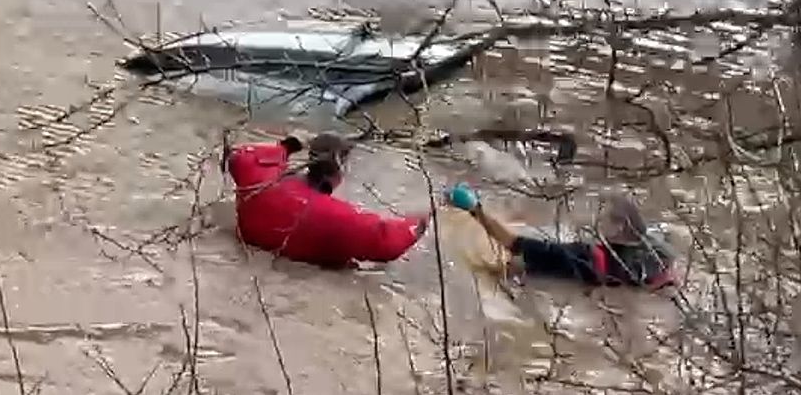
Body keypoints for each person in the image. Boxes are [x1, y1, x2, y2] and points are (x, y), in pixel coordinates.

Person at [224, 131, 429, 268]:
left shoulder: (259, 182)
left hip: (252, 249)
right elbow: (389, 244)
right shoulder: (342, 219)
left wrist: (288, 146)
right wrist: (427, 217)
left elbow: (239, 156)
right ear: (341, 166)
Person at [443, 182, 676, 291]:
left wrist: (475, 209)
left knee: (502, 267)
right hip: (615, 282)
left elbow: (511, 242)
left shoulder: (578, 255)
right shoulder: (658, 249)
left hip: (571, 269)